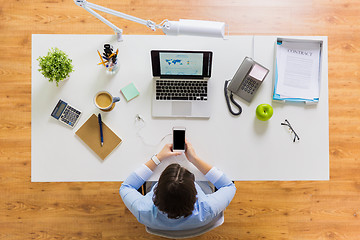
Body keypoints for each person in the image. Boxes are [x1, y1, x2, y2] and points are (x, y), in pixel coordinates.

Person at [120, 140, 236, 230]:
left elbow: (126, 187)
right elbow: (229, 186)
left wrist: (158, 158)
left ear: (156, 192)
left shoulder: (143, 210)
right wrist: (194, 159)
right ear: (194, 193)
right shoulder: (208, 209)